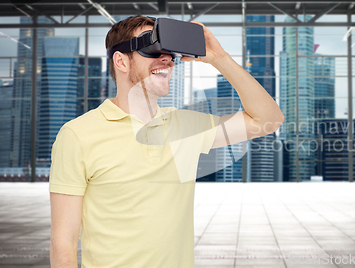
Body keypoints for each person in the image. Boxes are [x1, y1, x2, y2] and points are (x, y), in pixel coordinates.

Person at [49, 16, 284, 268]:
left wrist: (219, 58)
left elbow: (268, 119)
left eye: (170, 53)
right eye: (152, 49)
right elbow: (63, 241)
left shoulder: (184, 127)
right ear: (121, 61)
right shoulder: (78, 134)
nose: (167, 59)